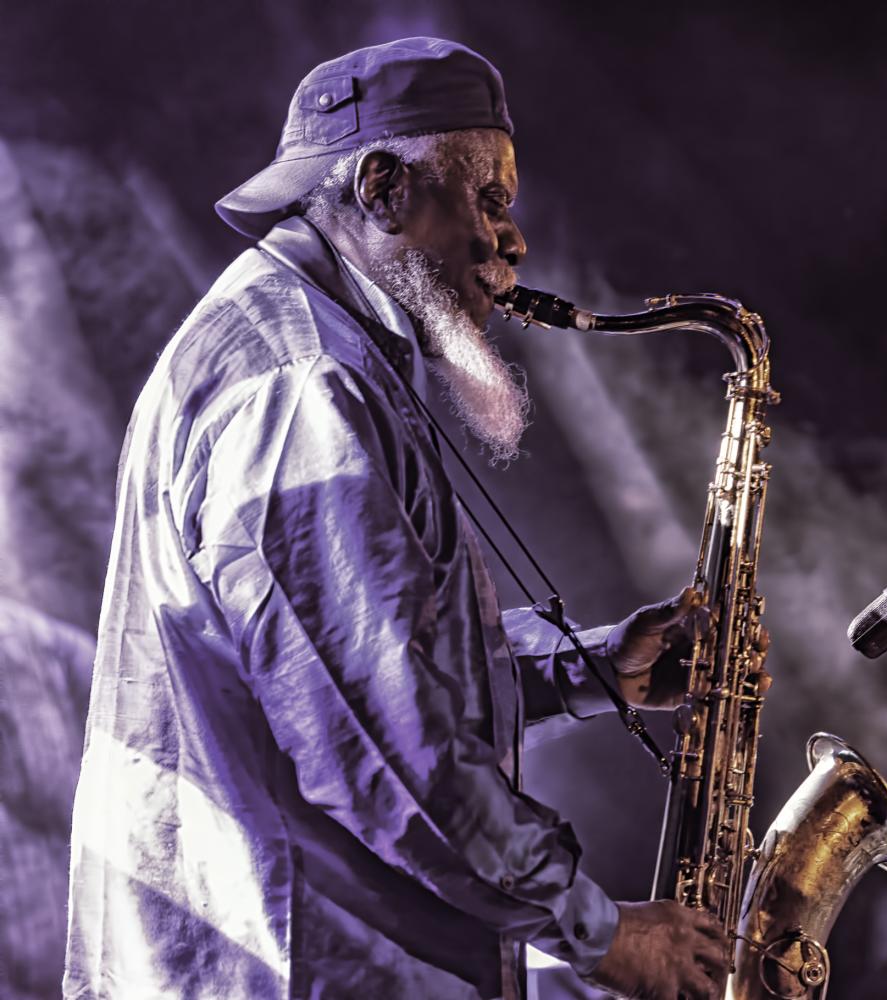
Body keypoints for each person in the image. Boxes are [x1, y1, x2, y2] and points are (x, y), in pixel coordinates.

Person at [63, 38, 751, 1000]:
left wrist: (588, 669)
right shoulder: (302, 389)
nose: (513, 243)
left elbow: (348, 674)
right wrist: (602, 936)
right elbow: (383, 744)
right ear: (381, 188)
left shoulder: (299, 352)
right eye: (490, 201)